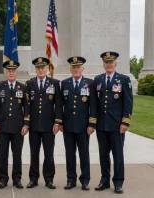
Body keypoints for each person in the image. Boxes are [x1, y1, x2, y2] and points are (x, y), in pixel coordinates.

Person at [94, 51, 133, 194]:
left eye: (111, 62)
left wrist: (125, 122)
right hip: (102, 125)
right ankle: (104, 180)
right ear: (103, 64)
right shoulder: (98, 80)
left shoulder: (123, 79)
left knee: (118, 154)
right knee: (103, 154)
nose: (108, 64)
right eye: (106, 62)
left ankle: (118, 182)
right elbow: (95, 102)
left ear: (116, 64)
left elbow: (128, 102)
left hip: (117, 125)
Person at [60, 56, 96, 191]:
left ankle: (85, 180)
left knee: (84, 154)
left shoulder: (90, 84)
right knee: (70, 154)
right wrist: (60, 122)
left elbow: (93, 105)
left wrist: (92, 124)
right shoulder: (64, 83)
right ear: (70, 69)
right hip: (68, 126)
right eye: (73, 67)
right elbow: (60, 105)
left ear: (82, 69)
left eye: (78, 67)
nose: (76, 69)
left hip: (83, 126)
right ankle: (71, 179)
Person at [25, 57, 62, 190]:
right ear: (35, 69)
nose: (41, 70)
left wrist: (57, 122)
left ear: (47, 69)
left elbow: (58, 105)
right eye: (38, 68)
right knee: (34, 153)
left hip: (48, 126)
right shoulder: (29, 84)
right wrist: (27, 122)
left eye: (43, 67)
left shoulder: (55, 83)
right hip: (34, 125)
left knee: (49, 154)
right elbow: (27, 106)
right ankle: (33, 179)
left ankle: (49, 179)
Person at [0, 60, 30, 189]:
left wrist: (26, 124)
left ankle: (17, 179)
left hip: (18, 128)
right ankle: (3, 179)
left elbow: (27, 108)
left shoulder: (23, 88)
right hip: (2, 127)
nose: (11, 72)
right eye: (9, 70)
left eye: (13, 70)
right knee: (2, 154)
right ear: (5, 72)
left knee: (17, 154)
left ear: (17, 72)